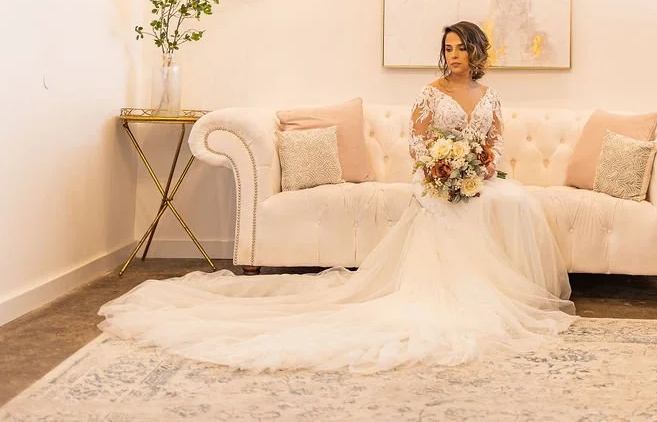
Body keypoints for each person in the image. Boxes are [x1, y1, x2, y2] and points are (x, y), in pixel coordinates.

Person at [97, 21, 576, 373]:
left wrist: (482, 165)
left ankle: (499, 288)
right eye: (447, 48)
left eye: (459, 48)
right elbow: (417, 143)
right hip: (438, 176)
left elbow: (494, 141)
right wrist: (442, 166)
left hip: (477, 175)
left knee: (509, 200)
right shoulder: (431, 93)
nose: (452, 56)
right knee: (451, 203)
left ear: (475, 52)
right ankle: (450, 294)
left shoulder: (489, 95)